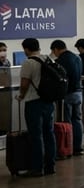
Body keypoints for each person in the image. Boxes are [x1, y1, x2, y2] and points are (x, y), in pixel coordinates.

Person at [16, 38, 58, 177]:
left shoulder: (29, 62)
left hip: (34, 102)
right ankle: (50, 166)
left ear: (26, 49)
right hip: (49, 102)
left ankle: (37, 168)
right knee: (49, 133)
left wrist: (21, 95)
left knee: (36, 135)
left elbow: (24, 83)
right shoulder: (48, 59)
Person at [49, 40, 84, 157]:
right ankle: (78, 147)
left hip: (67, 94)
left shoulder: (60, 61)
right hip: (78, 92)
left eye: (54, 52)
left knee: (67, 122)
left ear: (56, 49)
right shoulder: (77, 58)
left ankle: (68, 147)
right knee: (78, 120)